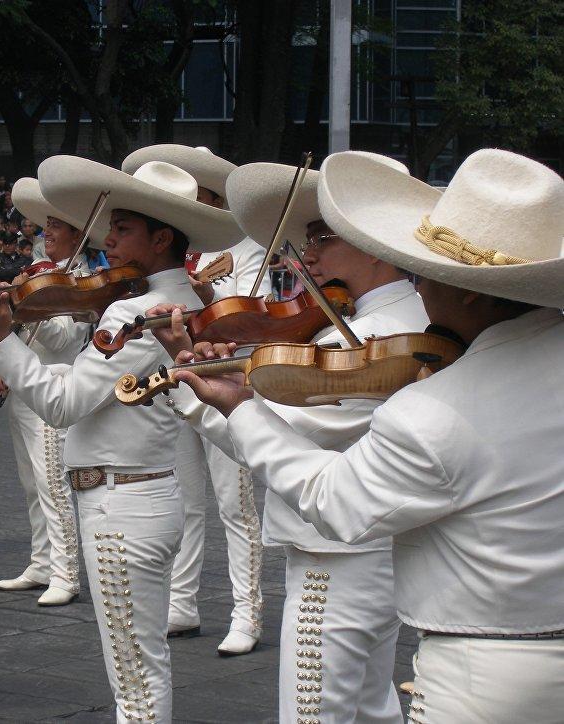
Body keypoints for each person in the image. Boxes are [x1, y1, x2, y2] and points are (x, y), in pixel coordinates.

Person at [168, 148, 564, 723]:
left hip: (482, 668)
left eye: (428, 273)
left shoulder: (432, 409)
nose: (420, 288)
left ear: (471, 289)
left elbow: (336, 498)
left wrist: (236, 405)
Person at [153, 152, 427, 722]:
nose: (309, 254)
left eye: (324, 236)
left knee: (313, 712)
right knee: (372, 707)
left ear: (373, 242)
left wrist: (200, 385)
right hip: (372, 547)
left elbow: (278, 440)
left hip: (335, 551)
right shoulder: (385, 322)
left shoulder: (372, 337)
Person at [0, 157, 240, 722]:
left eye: (122, 230)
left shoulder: (136, 310)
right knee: (140, 667)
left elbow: (63, 405)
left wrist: (4, 337)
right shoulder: (182, 301)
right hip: (144, 492)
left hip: (121, 501)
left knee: (134, 675)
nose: (109, 242)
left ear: (162, 237)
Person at [122, 144, 271, 655]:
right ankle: (182, 603)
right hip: (177, 376)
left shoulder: (247, 246)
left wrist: (205, 296)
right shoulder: (174, 260)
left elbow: (249, 315)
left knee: (235, 504)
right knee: (185, 496)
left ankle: (246, 612)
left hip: (229, 379)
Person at [0, 176, 97, 607]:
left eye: (56, 225)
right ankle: (40, 560)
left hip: (55, 386)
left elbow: (65, 340)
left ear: (77, 234)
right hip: (25, 388)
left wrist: (27, 307)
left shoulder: (85, 280)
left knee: (53, 483)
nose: (46, 231)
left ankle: (66, 571)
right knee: (31, 482)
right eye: (46, 224)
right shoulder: (42, 275)